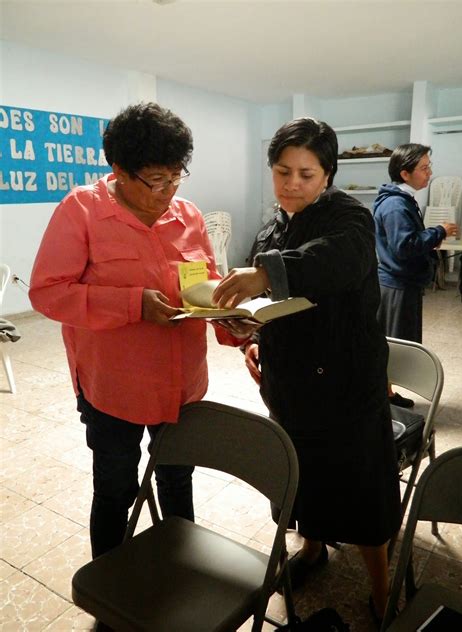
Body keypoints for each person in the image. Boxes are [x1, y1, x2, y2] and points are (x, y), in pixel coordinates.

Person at [212, 117, 402, 623]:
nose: (292, 183)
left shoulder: (351, 219)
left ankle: (383, 592)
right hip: (292, 384)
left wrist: (265, 273)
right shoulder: (273, 223)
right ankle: (313, 549)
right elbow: (270, 307)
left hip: (346, 382)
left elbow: (332, 262)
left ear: (328, 176)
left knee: (362, 491)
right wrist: (255, 339)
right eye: (282, 171)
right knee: (303, 477)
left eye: (306, 174)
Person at [29, 102, 233, 565]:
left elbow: (204, 282)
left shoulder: (188, 215)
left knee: (178, 480)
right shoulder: (80, 211)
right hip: (113, 389)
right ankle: (108, 584)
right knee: (116, 488)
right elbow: (48, 293)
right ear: (119, 170)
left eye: (176, 177)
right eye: (155, 181)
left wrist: (232, 316)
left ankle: (182, 574)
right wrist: (132, 304)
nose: (167, 192)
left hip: (183, 384)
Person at [373, 144, 457, 408]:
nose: (429, 172)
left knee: (392, 344)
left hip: (397, 282)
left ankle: (383, 394)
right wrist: (438, 232)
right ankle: (381, 398)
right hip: (398, 286)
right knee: (396, 347)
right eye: (424, 167)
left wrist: (429, 238)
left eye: (428, 166)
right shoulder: (397, 205)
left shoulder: (400, 200)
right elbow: (404, 246)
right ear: (405, 173)